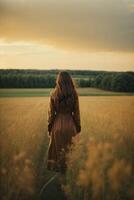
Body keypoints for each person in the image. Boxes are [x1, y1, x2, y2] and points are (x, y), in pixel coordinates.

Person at [47, 71, 81, 174]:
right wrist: (78, 127)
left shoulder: (53, 94)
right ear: (70, 81)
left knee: (58, 152)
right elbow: (77, 113)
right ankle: (70, 175)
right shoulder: (74, 94)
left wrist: (49, 127)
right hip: (71, 126)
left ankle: (60, 176)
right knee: (70, 152)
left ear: (58, 81)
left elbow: (51, 114)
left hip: (57, 126)